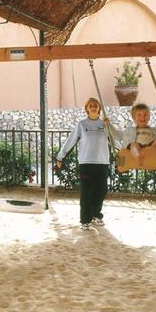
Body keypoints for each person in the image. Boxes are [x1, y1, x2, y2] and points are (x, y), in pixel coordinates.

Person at [55, 97, 112, 230]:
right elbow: (70, 141)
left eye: (95, 105)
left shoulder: (105, 124)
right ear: (87, 108)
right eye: (90, 105)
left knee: (101, 190)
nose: (93, 107)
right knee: (86, 192)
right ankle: (85, 220)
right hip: (86, 162)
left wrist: (110, 127)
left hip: (102, 162)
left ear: (99, 108)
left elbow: (116, 140)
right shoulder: (81, 124)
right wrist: (60, 156)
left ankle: (96, 215)